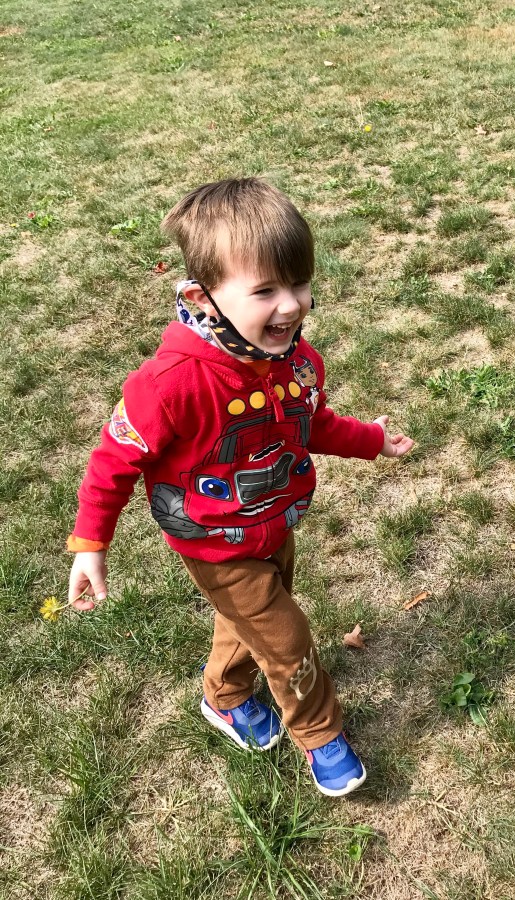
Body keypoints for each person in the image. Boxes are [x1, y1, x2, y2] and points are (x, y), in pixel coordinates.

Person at [66, 177, 414, 797]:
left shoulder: (295, 362)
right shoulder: (170, 384)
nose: (292, 305)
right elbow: (112, 461)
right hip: (214, 541)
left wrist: (371, 440)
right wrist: (91, 544)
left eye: (299, 283)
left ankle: (224, 697)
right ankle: (320, 733)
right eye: (265, 290)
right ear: (203, 298)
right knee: (286, 637)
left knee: (251, 621)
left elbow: (312, 424)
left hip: (276, 520)